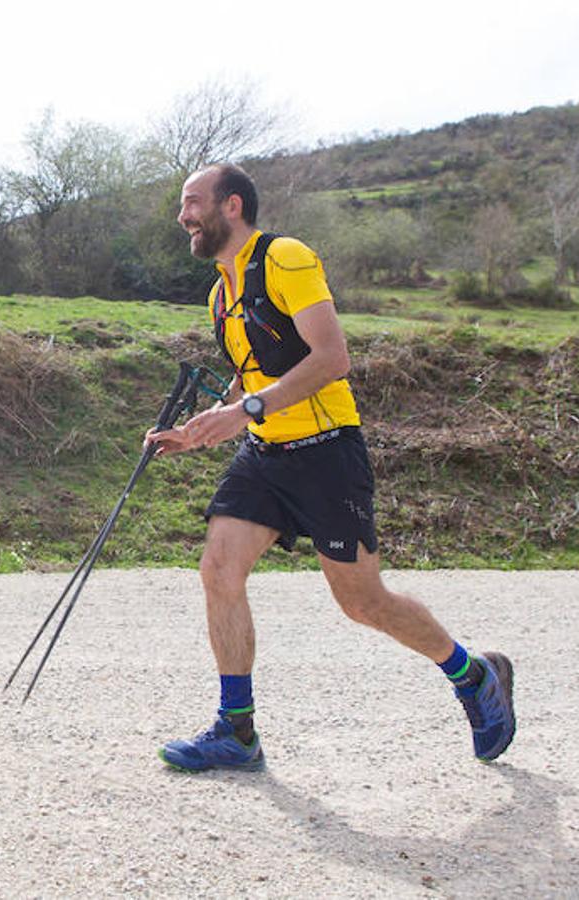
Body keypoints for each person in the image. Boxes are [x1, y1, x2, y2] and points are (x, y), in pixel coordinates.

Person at [144, 164, 515, 772]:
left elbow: (332, 358)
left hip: (325, 451)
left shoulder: (285, 258)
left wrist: (245, 410)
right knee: (218, 568)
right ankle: (237, 732)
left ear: (231, 206)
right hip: (265, 454)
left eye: (192, 203)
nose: (183, 216)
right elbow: (253, 373)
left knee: (363, 602)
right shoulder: (221, 291)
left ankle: (473, 675)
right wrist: (198, 430)